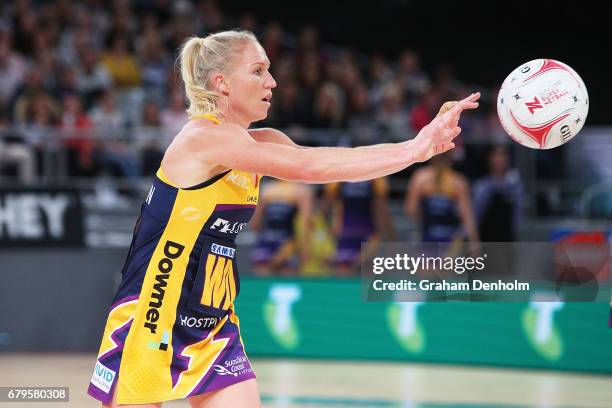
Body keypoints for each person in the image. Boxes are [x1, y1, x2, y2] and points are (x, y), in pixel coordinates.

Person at [88, 29, 480, 408]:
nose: (272, 82)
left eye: (269, 70)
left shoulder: (261, 142)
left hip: (211, 324)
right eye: (258, 71)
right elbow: (309, 166)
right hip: (151, 315)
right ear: (222, 83)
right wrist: (412, 148)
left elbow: (333, 164)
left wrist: (416, 149)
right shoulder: (204, 139)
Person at [324, 176, 394, 275]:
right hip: (348, 234)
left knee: (363, 273)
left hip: (362, 233)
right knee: (347, 274)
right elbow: (331, 207)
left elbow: (381, 209)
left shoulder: (376, 178)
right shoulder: (338, 179)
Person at [249, 179, 313, 275]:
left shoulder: (267, 189)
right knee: (287, 284)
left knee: (262, 283)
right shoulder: (300, 190)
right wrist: (305, 248)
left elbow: (255, 222)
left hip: (266, 240)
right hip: (288, 241)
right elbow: (305, 223)